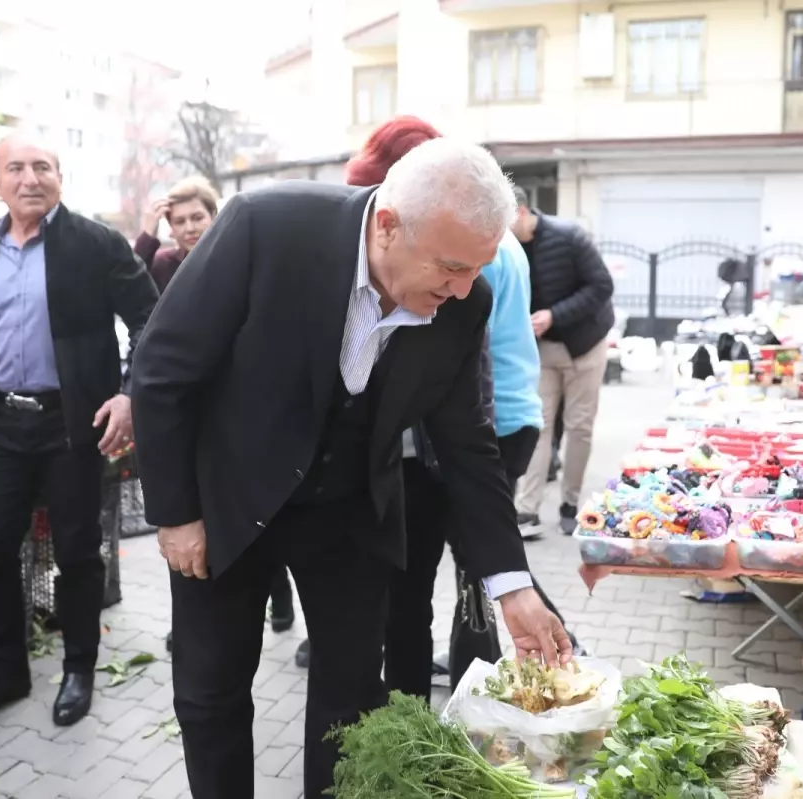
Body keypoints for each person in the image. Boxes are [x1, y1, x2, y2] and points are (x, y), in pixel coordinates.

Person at [130, 138, 571, 799]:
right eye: (450, 267)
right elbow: (161, 371)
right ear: (388, 225)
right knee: (211, 689)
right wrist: (176, 513)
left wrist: (514, 585)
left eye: (474, 271)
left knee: (353, 697)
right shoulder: (264, 228)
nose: (460, 290)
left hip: (348, 508)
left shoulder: (464, 301)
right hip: (229, 496)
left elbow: (468, 445)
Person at [0, 132, 158, 729]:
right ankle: (6, 672)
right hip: (1, 421)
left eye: (42, 166)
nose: (30, 178)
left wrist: (129, 395)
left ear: (60, 176)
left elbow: (151, 319)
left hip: (73, 424)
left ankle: (80, 667)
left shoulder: (96, 244)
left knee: (78, 551)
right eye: (16, 168)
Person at [131, 178, 297, 647]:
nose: (188, 228)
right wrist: (146, 231)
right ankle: (194, 616)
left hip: (243, 409)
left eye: (197, 217)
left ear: (214, 215)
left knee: (258, 515)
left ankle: (278, 594)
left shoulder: (242, 261)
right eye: (178, 221)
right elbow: (127, 279)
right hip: (189, 410)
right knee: (201, 514)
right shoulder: (165, 266)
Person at [512, 192, 615, 537]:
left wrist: (555, 315)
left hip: (585, 346)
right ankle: (527, 510)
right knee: (536, 425)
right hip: (542, 351)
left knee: (579, 427)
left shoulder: (568, 236)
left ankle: (571, 505)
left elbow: (602, 285)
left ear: (523, 211)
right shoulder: (507, 250)